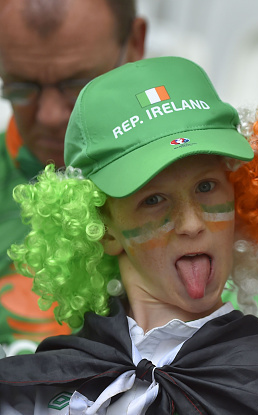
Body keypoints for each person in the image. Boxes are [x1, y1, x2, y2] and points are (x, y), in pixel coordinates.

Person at [0, 56, 258, 413]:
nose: (191, 224)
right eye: (153, 200)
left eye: (206, 186)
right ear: (105, 231)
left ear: (241, 197)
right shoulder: (45, 381)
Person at [0, 0, 146, 355]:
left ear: (135, 44)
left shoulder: (213, 185)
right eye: (21, 87)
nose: (50, 115)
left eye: (77, 84)